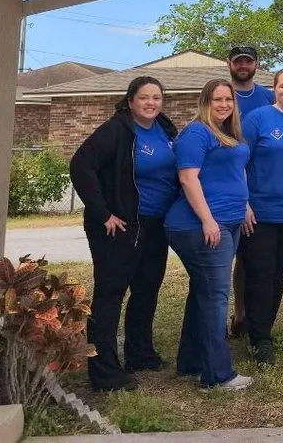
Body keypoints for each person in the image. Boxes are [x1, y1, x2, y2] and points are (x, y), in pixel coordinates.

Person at [70, 76, 178, 392]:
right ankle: (104, 372)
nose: (151, 103)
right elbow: (81, 166)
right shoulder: (116, 131)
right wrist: (103, 212)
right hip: (120, 226)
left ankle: (140, 354)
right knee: (110, 294)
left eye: (156, 98)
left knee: (146, 290)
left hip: (156, 225)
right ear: (130, 101)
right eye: (144, 98)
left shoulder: (164, 128)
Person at [165, 79, 253, 390]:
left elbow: (236, 170)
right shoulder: (196, 133)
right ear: (206, 102)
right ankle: (216, 376)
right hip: (198, 226)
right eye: (217, 99)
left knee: (203, 293)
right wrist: (207, 220)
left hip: (229, 221)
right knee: (216, 297)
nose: (224, 104)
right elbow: (188, 179)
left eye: (228, 99)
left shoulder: (231, 133)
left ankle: (191, 363)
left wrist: (244, 206)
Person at [240, 68, 283, 364]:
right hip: (260, 214)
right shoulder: (257, 119)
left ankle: (263, 330)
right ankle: (259, 340)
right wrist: (243, 203)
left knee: (278, 274)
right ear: (275, 89)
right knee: (260, 276)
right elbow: (238, 163)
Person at [227, 44, 274, 338]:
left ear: (256, 63)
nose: (243, 65)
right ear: (229, 63)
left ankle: (250, 317)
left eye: (248, 61)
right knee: (230, 257)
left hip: (262, 186)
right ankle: (239, 312)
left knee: (251, 257)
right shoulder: (221, 96)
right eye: (238, 61)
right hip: (229, 182)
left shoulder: (268, 97)